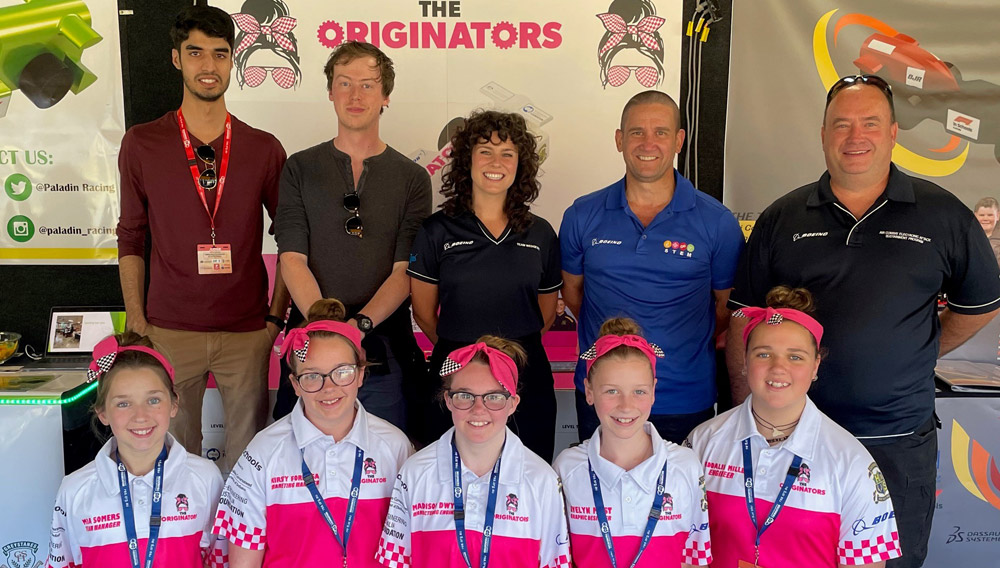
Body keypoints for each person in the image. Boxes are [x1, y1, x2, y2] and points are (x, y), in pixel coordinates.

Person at [726, 74, 1000, 568]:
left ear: (894, 131)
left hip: (894, 441)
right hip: (792, 441)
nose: (855, 137)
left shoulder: (942, 214)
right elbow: (745, 321)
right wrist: (746, 416)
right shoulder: (781, 218)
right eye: (841, 124)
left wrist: (923, 351)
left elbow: (981, 305)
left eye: (869, 123)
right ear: (823, 133)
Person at [116, 5, 289, 473]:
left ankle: (238, 547)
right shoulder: (142, 143)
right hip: (169, 329)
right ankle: (185, 547)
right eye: (195, 53)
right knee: (173, 465)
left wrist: (274, 319)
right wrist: (138, 322)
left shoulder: (263, 147)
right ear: (176, 59)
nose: (208, 66)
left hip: (247, 332)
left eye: (220, 53)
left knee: (250, 465)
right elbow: (131, 235)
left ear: (233, 60)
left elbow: (292, 236)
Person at [560, 90, 744, 445]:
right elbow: (573, 294)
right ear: (619, 140)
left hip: (684, 398)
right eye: (636, 132)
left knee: (680, 500)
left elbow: (725, 310)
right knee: (599, 499)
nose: (648, 143)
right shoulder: (581, 215)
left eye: (660, 132)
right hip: (605, 395)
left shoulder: (717, 222)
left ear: (678, 140)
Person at [275, 40, 431, 431]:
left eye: (367, 84)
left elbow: (404, 272)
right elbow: (292, 259)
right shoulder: (300, 168)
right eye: (344, 83)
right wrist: (325, 328)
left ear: (386, 96)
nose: (355, 95)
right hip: (310, 346)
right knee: (302, 462)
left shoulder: (412, 178)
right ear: (330, 92)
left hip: (384, 350)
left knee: (386, 463)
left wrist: (358, 327)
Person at [692, 286, 900, 568]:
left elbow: (866, 563)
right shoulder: (702, 443)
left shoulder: (851, 461)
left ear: (815, 367)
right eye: (764, 354)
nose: (778, 368)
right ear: (744, 361)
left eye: (795, 357)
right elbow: (682, 551)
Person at [408, 109, 562, 459]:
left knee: (529, 471)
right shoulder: (437, 231)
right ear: (467, 160)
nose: (497, 162)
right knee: (448, 473)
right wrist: (468, 354)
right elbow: (424, 313)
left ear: (521, 163)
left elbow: (546, 314)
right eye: (485, 151)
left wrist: (508, 354)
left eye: (508, 153)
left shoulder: (540, 233)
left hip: (527, 372)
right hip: (455, 369)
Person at [213, 299, 412, 567]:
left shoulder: (395, 445)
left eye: (342, 372)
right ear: (294, 384)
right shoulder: (263, 450)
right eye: (312, 376)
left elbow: (407, 548)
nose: (328, 388)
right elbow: (243, 558)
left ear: (361, 374)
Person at [376, 338, 571, 568]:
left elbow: (555, 563)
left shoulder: (542, 480)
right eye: (465, 396)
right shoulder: (415, 472)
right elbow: (395, 561)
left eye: (494, 397)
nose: (479, 409)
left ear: (513, 403)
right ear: (448, 400)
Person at [47, 333, 226, 568]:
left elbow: (220, 560)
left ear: (174, 404)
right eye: (123, 403)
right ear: (102, 413)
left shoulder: (206, 478)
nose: (140, 416)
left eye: (153, 400)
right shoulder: (74, 489)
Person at [554, 318, 711, 568]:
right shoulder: (567, 467)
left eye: (638, 391)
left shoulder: (685, 465)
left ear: (653, 391)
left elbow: (695, 560)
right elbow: (559, 558)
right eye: (611, 391)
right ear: (589, 391)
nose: (626, 406)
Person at [973, 196, 1000, 264]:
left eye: (990, 215)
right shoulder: (968, 238)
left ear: (997, 216)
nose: (985, 219)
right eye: (982, 215)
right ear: (975, 216)